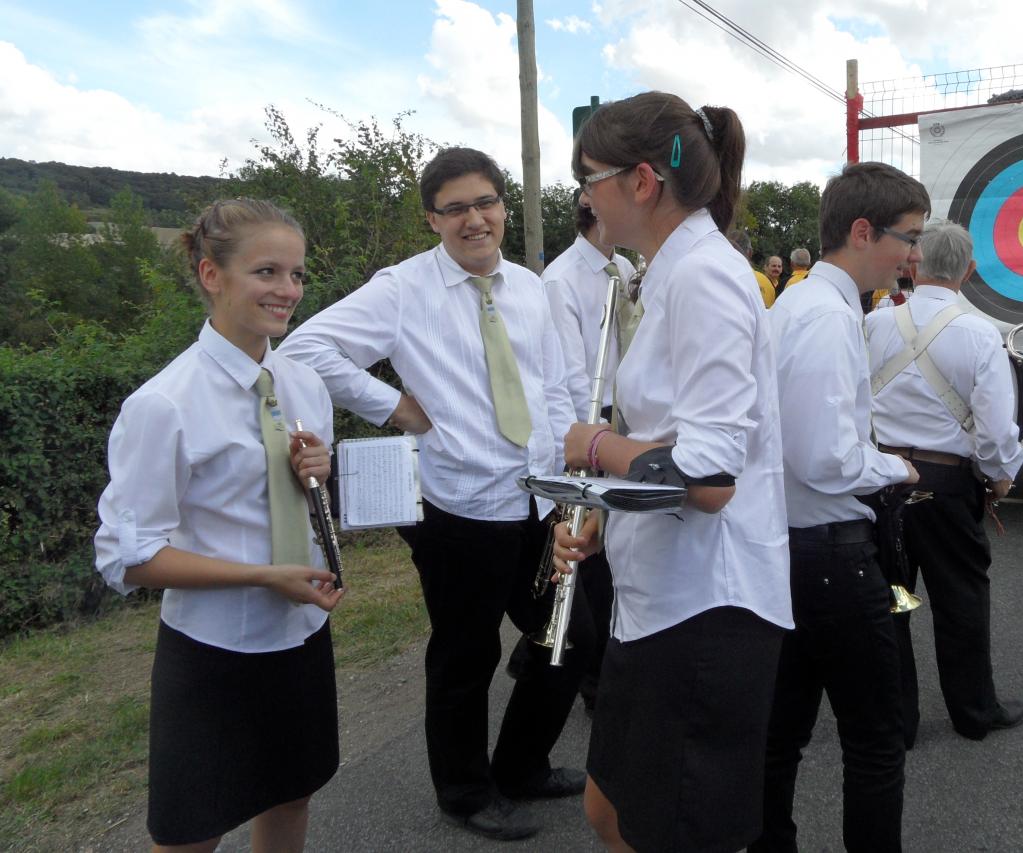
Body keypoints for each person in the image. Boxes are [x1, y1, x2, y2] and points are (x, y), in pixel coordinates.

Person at [279, 147, 589, 842]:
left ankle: (521, 765)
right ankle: (464, 791)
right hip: (461, 506)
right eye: (455, 209)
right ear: (432, 219)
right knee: (466, 653)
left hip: (539, 500)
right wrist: (392, 406)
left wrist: (571, 482)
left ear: (504, 207)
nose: (474, 219)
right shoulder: (402, 288)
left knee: (570, 633)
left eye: (485, 202)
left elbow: (556, 385)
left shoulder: (532, 288)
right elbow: (305, 348)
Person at [553, 91, 792, 853]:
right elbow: (675, 442)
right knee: (607, 810)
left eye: (589, 179)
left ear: (641, 182)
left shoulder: (704, 277)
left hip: (705, 611)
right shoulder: (669, 272)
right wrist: (607, 505)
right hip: (660, 598)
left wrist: (593, 447)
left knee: (673, 833)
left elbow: (712, 474)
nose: (586, 197)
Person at [94, 198, 344, 852]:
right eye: (267, 271)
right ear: (211, 274)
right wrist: (263, 575)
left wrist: (315, 471)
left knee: (292, 796)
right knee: (190, 832)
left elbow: (294, 499)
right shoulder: (163, 404)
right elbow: (131, 557)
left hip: (302, 635)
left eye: (296, 274)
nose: (287, 290)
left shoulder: (303, 383)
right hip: (213, 657)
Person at [751, 162, 925, 853]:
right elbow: (825, 456)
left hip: (790, 549)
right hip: (829, 555)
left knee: (779, 739)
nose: (913, 253)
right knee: (875, 744)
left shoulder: (797, 304)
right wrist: (898, 466)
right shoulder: (825, 315)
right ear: (862, 231)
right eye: (906, 237)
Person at [865, 220, 1023, 745]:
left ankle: (897, 721)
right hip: (947, 484)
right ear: (970, 269)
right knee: (960, 601)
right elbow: (997, 428)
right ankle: (973, 713)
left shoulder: (874, 324)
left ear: (914, 263)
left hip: (884, 482)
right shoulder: (981, 333)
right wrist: (1001, 477)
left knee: (893, 600)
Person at [539, 198, 637, 712]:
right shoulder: (561, 279)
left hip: (625, 418)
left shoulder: (623, 268)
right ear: (595, 210)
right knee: (593, 562)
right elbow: (569, 372)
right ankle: (596, 684)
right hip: (593, 423)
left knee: (619, 549)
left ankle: (609, 664)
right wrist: (589, 442)